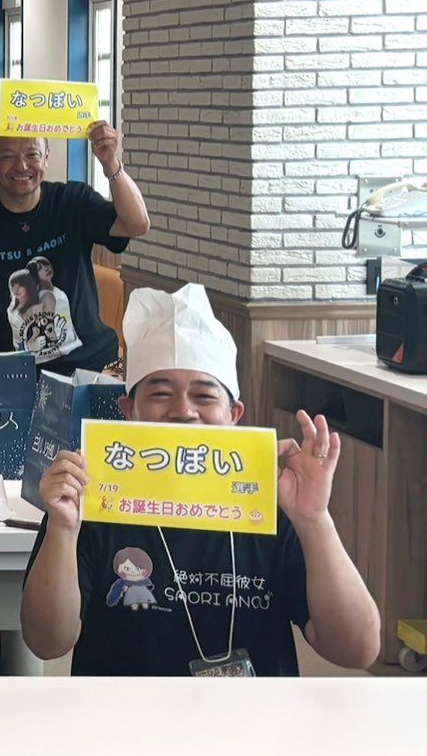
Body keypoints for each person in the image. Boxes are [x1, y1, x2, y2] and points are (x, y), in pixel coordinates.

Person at [20, 284, 381, 676]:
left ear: (234, 414)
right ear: (128, 410)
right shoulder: (91, 497)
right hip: (123, 712)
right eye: (160, 394)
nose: (184, 411)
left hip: (252, 715)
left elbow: (357, 649)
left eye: (205, 397)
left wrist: (314, 519)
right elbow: (47, 642)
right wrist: (62, 529)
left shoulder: (271, 502)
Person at [0, 123, 147, 374]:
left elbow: (137, 224)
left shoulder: (72, 201)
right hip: (3, 373)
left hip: (85, 367)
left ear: (46, 157)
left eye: (32, 154)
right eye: (7, 156)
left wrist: (111, 163)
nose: (22, 166)